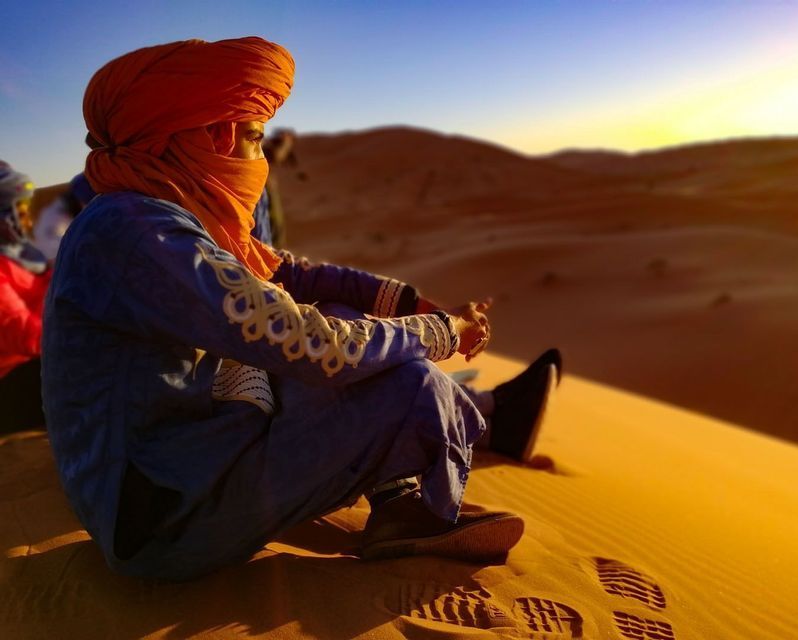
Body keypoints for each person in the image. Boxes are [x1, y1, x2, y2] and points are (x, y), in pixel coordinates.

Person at [42, 37, 560, 581]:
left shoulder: (151, 211)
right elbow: (314, 345)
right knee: (407, 382)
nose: (259, 160)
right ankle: (418, 510)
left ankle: (400, 495)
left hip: (172, 469)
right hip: (162, 514)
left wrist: (405, 302)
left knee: (348, 321)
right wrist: (441, 330)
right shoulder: (133, 231)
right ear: (209, 135)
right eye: (253, 136)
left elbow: (285, 272)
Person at [0, 162, 51, 433]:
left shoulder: (23, 255)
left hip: (37, 362)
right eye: (20, 213)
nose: (28, 221)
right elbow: (26, 336)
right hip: (10, 380)